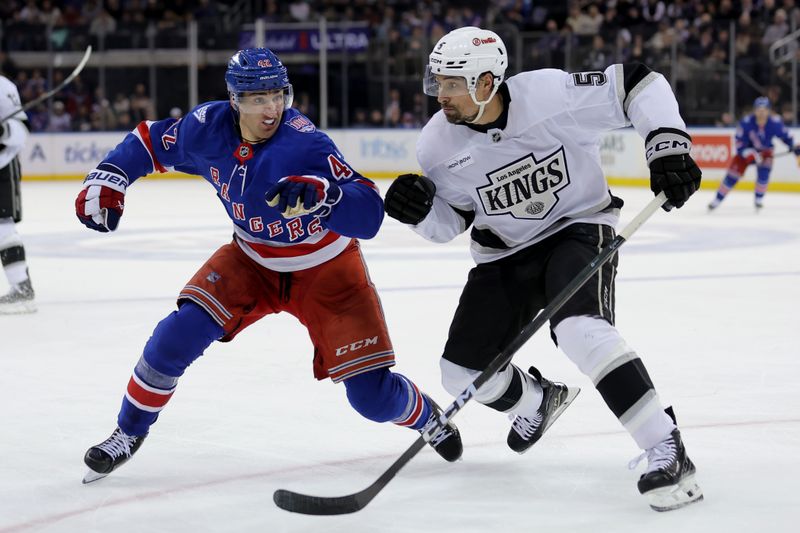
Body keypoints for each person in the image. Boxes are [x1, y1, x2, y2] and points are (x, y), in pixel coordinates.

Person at [75, 48, 462, 483]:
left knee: (371, 399)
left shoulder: (305, 144)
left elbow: (370, 214)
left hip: (328, 271)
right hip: (251, 261)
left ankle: (425, 414)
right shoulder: (207, 127)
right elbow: (149, 142)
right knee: (173, 338)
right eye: (259, 98)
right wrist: (109, 174)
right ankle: (128, 432)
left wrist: (326, 196)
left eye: (278, 95)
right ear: (235, 99)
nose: (272, 108)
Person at [384, 27, 703, 512]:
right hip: (504, 253)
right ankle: (536, 402)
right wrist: (420, 213)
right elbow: (453, 221)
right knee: (459, 373)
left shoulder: (552, 95)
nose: (440, 94)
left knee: (579, 330)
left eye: (452, 84)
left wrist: (666, 145)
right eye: (439, 82)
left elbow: (639, 83)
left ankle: (665, 446)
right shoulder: (436, 144)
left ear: (486, 82)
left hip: (578, 226)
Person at [708, 96, 800, 211]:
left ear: (768, 111)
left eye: (764, 110)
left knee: (764, 173)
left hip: (765, 152)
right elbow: (739, 143)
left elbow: (786, 137)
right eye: (759, 109)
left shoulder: (775, 123)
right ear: (755, 110)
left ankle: (758, 199)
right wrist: (748, 153)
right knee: (732, 175)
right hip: (746, 152)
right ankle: (717, 199)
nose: (761, 113)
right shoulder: (746, 123)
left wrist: (793, 147)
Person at [0, 72, 36, 314]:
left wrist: (2, 130)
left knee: (2, 226)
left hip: (3, 164)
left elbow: (20, 129)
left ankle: (22, 288)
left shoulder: (2, 86)